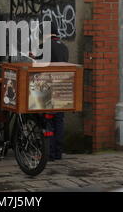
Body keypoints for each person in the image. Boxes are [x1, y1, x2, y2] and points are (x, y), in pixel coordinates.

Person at [45, 22, 69, 161]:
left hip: (48, 88)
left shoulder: (45, 46)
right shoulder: (64, 47)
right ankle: (58, 152)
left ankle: (50, 153)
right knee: (59, 120)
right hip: (63, 87)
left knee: (48, 120)